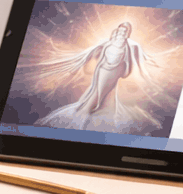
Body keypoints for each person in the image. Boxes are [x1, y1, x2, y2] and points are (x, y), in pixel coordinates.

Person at [31, 22, 163, 134]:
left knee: (104, 95)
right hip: (103, 70)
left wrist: (125, 70)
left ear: (128, 33)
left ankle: (94, 113)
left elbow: (129, 64)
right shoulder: (107, 43)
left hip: (115, 72)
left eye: (125, 32)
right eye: (120, 31)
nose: (122, 33)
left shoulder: (130, 46)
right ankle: (83, 117)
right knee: (96, 93)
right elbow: (94, 54)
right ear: (117, 31)